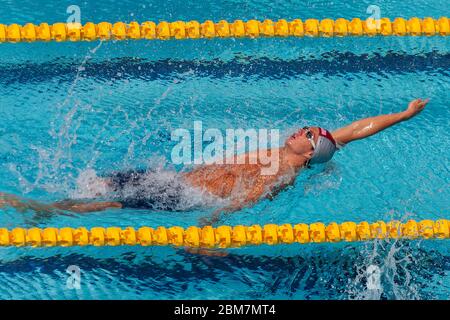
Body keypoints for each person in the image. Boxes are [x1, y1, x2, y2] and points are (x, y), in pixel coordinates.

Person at [0, 98, 429, 223]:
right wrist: (405, 115)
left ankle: (31, 207)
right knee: (100, 183)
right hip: (172, 179)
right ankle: (49, 212)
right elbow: (355, 130)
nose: (305, 129)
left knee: (110, 203)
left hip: (185, 195)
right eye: (310, 128)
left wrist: (211, 224)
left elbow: (251, 198)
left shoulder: (282, 171)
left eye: (310, 135)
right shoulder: (288, 151)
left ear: (309, 153)